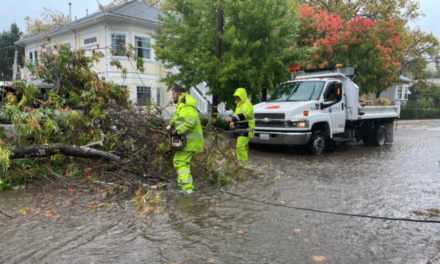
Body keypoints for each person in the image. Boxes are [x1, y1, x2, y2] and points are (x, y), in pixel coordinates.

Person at [168, 85, 204, 194]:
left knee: (180, 161)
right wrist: (169, 126)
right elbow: (177, 119)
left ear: (179, 94)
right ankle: (184, 184)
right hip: (186, 141)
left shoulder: (186, 106)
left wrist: (177, 131)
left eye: (173, 94)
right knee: (179, 161)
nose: (172, 97)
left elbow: (189, 122)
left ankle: (187, 189)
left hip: (189, 142)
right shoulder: (181, 105)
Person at [224, 88, 255, 166]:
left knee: (240, 147)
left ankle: (244, 166)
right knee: (241, 148)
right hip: (240, 128)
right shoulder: (239, 104)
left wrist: (232, 119)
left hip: (247, 129)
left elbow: (243, 115)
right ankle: (242, 165)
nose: (236, 98)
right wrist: (233, 122)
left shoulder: (248, 104)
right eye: (236, 97)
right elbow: (237, 116)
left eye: (238, 97)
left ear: (242, 96)